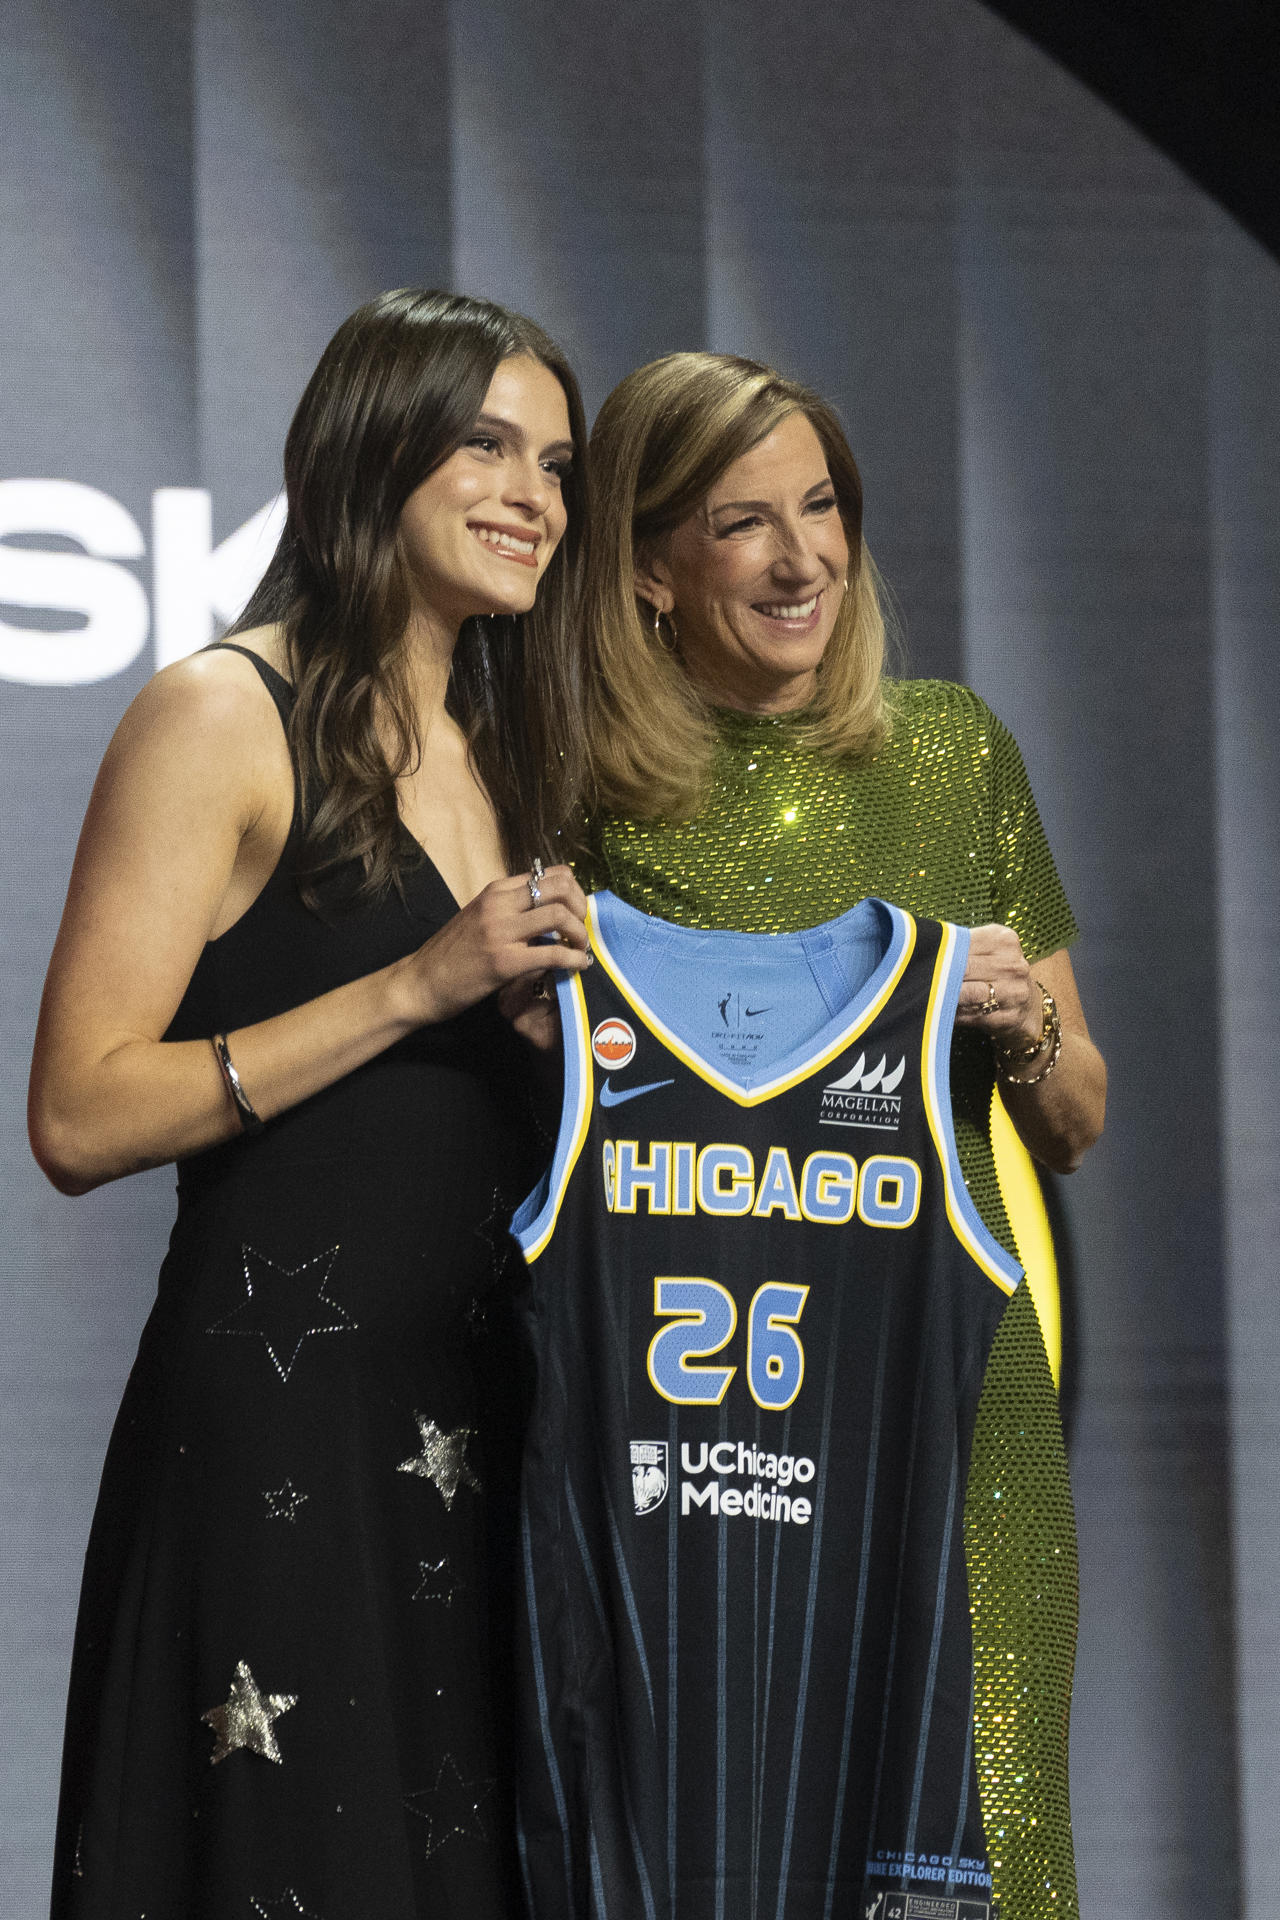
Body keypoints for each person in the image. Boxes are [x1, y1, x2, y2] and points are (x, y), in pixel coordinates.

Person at [28, 288, 593, 1920]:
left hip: (479, 1437)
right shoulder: (221, 713)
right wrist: (414, 987)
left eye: (556, 463)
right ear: (372, 451)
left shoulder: (510, 755)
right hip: (281, 1435)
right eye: (488, 443)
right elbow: (76, 1114)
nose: (533, 495)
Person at [529, 352, 1105, 1920]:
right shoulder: (569, 787)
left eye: (823, 507)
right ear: (647, 568)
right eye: (743, 523)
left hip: (948, 1389)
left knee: (975, 1840)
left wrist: (1018, 1026)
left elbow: (1079, 1114)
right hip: (686, 1429)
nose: (804, 561)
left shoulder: (951, 750)